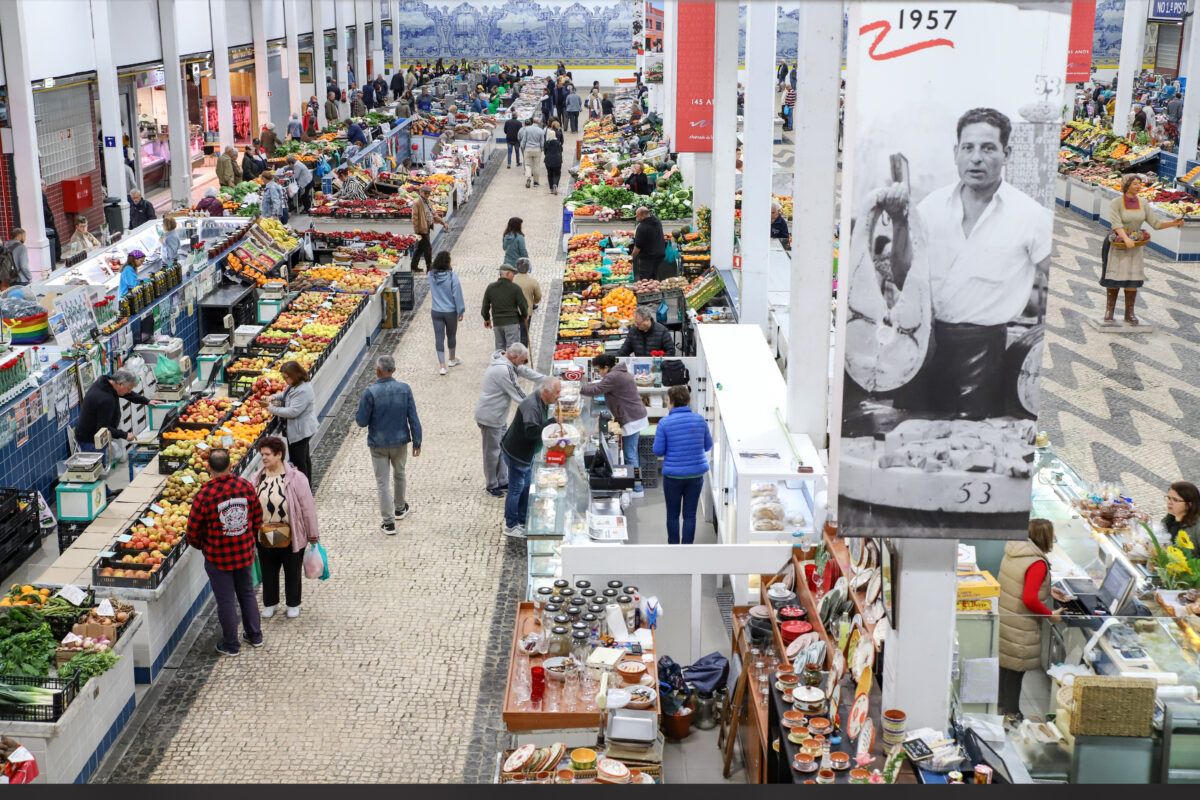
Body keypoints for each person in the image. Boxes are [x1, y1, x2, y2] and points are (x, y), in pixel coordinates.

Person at [894, 108, 1054, 418]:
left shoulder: (1030, 216)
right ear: (956, 153)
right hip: (923, 347)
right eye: (968, 147)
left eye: (988, 148)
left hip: (984, 357)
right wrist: (899, 224)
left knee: (972, 449)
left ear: (1005, 153)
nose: (976, 158)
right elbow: (904, 278)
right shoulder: (931, 207)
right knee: (910, 440)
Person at [186, 448, 263, 656]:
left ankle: (231, 644)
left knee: (226, 600)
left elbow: (192, 532)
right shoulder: (245, 487)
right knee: (247, 593)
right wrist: (247, 538)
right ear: (231, 466)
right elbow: (257, 517)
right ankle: (255, 635)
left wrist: (206, 545)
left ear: (208, 468)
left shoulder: (204, 495)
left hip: (218, 558)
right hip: (244, 553)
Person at [250, 435, 319, 620]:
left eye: (268, 454)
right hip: (265, 533)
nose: (264, 458)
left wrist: (313, 535)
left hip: (291, 533)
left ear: (279, 454)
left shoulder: (296, 478)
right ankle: (270, 602)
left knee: (292, 570)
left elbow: (308, 508)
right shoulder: (257, 478)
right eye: (262, 454)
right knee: (268, 569)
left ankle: (293, 603)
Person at [997, 519, 1061, 718]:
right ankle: (1012, 713)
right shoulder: (1037, 563)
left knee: (1006, 667)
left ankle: (1001, 706)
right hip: (1021, 624)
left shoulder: (1016, 551)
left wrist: (1048, 590)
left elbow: (1018, 584)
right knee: (1017, 671)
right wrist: (1050, 615)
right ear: (1045, 537)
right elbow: (1029, 598)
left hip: (1007, 616)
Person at [1102, 174, 1183, 324]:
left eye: (1140, 184)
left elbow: (1156, 224)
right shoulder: (1116, 203)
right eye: (1135, 184)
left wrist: (1174, 223)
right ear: (1126, 185)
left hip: (1135, 245)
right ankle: (1109, 311)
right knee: (1114, 278)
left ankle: (1129, 313)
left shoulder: (1143, 203)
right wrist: (1125, 239)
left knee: (1133, 279)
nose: (1138, 186)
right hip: (1118, 243)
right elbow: (1116, 224)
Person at [355, 355, 422, 534]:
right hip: (400, 441)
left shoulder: (370, 392)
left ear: (377, 370)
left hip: (378, 443)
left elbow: (361, 421)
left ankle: (388, 522)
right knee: (400, 474)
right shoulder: (405, 389)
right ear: (394, 370)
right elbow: (413, 417)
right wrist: (417, 441)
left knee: (382, 482)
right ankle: (400, 507)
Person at [475, 342, 545, 496]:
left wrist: (547, 380)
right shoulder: (503, 370)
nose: (523, 364)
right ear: (513, 356)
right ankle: (492, 484)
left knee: (501, 449)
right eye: (522, 360)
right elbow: (519, 393)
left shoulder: (508, 362)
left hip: (499, 416)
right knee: (492, 452)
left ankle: (502, 480)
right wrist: (538, 407)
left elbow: (525, 371)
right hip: (490, 417)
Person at [581, 354, 649, 498]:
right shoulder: (619, 373)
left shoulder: (613, 377)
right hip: (634, 415)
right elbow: (600, 385)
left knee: (630, 455)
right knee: (631, 453)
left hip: (631, 418)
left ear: (607, 367)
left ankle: (638, 489)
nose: (599, 374)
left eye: (599, 370)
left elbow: (596, 389)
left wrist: (578, 389)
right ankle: (636, 486)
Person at [500, 377, 561, 538]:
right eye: (557, 392)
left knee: (526, 486)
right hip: (518, 454)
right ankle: (511, 525)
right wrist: (552, 422)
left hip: (526, 454)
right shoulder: (532, 406)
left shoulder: (541, 398)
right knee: (515, 489)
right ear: (546, 392)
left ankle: (523, 519)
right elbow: (531, 433)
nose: (559, 396)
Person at [653, 385, 713, 544]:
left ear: (670, 402)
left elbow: (658, 451)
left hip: (673, 476)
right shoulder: (700, 420)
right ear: (688, 401)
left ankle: (674, 548)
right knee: (690, 515)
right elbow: (708, 445)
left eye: (668, 400)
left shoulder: (664, 423)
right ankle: (687, 549)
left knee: (672, 515)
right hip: (696, 475)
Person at [263, 360, 317, 483]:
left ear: (295, 375)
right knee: (304, 458)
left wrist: (271, 409)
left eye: (286, 378)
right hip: (298, 429)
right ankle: (307, 486)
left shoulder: (303, 390)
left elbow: (293, 412)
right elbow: (286, 395)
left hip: (300, 431)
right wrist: (274, 397)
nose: (285, 380)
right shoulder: (295, 385)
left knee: (299, 462)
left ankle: (303, 489)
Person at [75, 369, 150, 453]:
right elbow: (102, 428)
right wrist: (125, 435)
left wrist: (147, 401)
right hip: (90, 440)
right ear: (120, 384)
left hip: (95, 434)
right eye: (128, 389)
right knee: (99, 465)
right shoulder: (106, 399)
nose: (129, 392)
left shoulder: (106, 383)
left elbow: (128, 394)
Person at [429, 250, 465, 375]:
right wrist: (460, 311)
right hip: (450, 311)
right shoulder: (452, 277)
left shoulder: (431, 275)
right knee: (451, 335)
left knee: (439, 337)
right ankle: (451, 359)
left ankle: (442, 366)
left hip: (436, 310)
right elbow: (457, 295)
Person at [482, 263, 529, 351]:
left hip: (497, 323)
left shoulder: (491, 287)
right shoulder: (515, 288)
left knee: (500, 349)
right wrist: (524, 316)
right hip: (512, 323)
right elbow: (523, 305)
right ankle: (511, 365)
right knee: (512, 350)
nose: (513, 276)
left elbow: (485, 306)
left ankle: (500, 364)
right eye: (513, 273)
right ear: (507, 273)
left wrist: (487, 319)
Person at [411, 185, 447, 273]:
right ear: (421, 192)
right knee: (428, 249)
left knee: (419, 248)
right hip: (421, 230)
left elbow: (434, 214)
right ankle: (429, 267)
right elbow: (414, 218)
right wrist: (417, 231)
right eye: (425, 193)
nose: (427, 195)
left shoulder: (428, 202)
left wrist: (443, 222)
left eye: (428, 193)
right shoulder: (417, 203)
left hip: (426, 228)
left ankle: (413, 266)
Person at [1164, 482, 1200, 558]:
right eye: (1168, 498)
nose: (1169, 502)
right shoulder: (1169, 518)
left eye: (1175, 500)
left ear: (1189, 505)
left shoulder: (1197, 529)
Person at [631, 206, 666, 281]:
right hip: (660, 254)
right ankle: (653, 290)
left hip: (648, 257)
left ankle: (646, 292)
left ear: (643, 215)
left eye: (637, 216)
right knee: (653, 276)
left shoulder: (642, 227)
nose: (637, 218)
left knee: (645, 279)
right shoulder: (656, 220)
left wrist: (631, 258)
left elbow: (637, 247)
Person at [513, 257, 541, 347]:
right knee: (524, 333)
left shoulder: (512, 280)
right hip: (526, 311)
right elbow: (538, 296)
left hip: (513, 310)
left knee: (513, 333)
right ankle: (523, 356)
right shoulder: (532, 281)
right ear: (528, 268)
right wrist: (533, 302)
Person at [519, 118, 546, 189]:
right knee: (536, 166)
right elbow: (542, 142)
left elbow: (524, 140)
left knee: (527, 165)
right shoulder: (541, 131)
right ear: (538, 122)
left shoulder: (527, 129)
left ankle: (528, 178)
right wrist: (541, 149)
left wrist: (523, 147)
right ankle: (536, 182)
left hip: (528, 149)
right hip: (537, 149)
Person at [544, 126, 564, 195]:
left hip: (548, 160)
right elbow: (561, 150)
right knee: (557, 174)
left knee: (549, 174)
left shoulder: (546, 143)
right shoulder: (558, 143)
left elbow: (545, 152)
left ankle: (551, 189)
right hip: (557, 160)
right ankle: (555, 184)